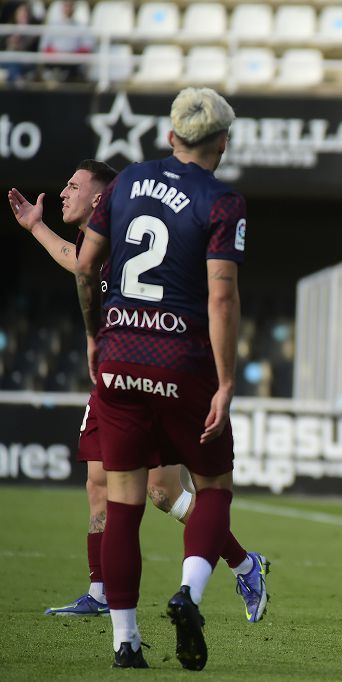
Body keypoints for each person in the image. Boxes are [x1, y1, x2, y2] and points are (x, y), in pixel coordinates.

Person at [8, 162, 268, 623]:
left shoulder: (126, 235)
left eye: (74, 185)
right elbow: (76, 260)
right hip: (115, 376)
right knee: (97, 482)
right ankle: (100, 589)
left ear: (99, 199)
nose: (63, 191)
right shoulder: (101, 242)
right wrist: (36, 226)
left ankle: (245, 565)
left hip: (153, 373)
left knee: (164, 494)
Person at [75, 87, 250, 670]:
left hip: (119, 360)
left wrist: (96, 332)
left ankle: (125, 642)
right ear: (222, 143)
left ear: (172, 137)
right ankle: (189, 594)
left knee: (123, 505)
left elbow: (85, 264)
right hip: (182, 364)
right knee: (215, 487)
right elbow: (221, 295)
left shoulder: (124, 183)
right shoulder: (223, 202)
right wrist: (225, 382)